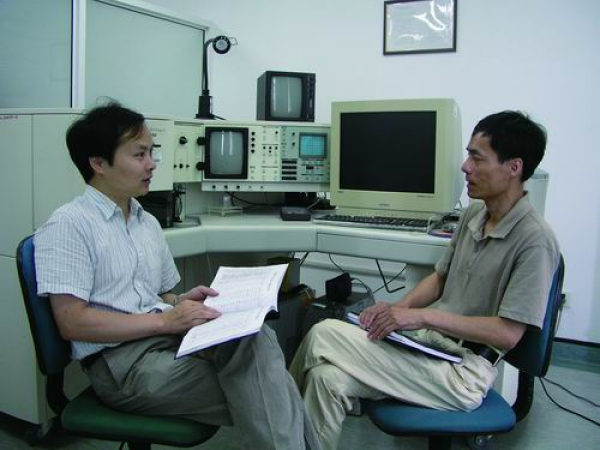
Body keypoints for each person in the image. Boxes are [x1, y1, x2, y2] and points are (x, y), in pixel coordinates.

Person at [34, 102, 321, 450]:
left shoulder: (145, 222)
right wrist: (165, 321)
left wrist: (182, 301)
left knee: (258, 338)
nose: (152, 164)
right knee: (268, 386)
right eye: (139, 154)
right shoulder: (69, 225)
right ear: (98, 163)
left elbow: (158, 297)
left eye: (151, 152)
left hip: (169, 341)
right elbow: (72, 323)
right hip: (123, 366)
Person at [289, 110, 560, 450]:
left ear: (514, 167)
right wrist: (395, 310)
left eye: (477, 158)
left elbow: (507, 334)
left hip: (462, 372)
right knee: (325, 378)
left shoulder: (535, 240)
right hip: (427, 346)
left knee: (323, 333)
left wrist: (420, 316)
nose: (465, 167)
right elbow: (440, 279)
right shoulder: (475, 214)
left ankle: (274, 425)